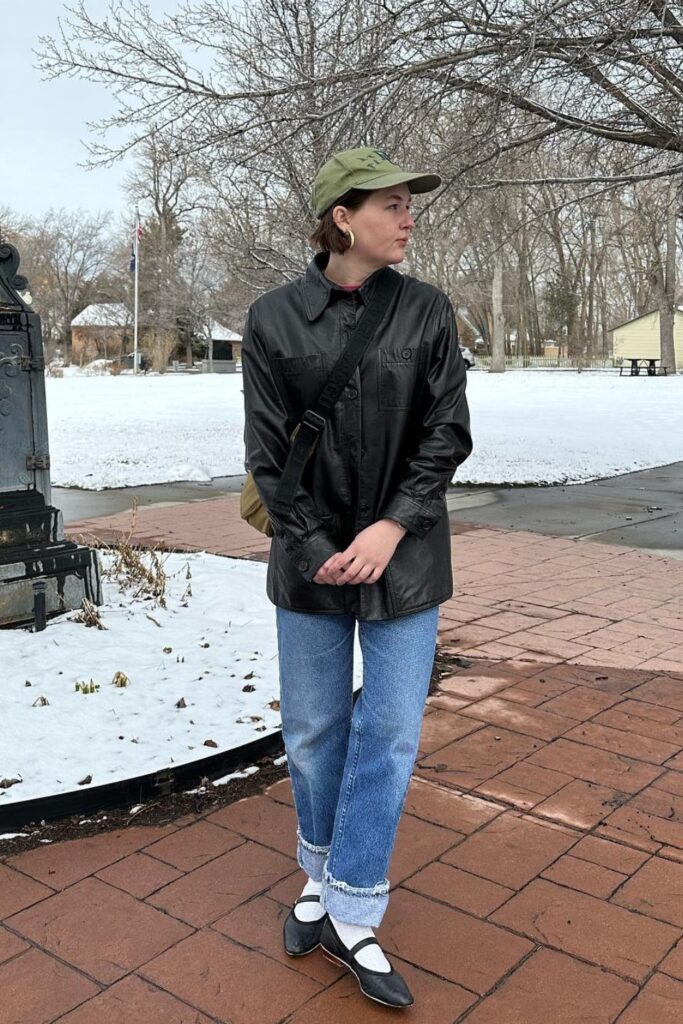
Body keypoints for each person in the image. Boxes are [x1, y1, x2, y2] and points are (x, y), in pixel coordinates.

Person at [240, 147, 473, 1009]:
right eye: (392, 204)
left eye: (410, 204)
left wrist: (386, 528)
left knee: (389, 733)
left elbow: (445, 432)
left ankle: (353, 909)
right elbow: (267, 452)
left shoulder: (427, 310)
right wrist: (315, 545)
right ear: (342, 217)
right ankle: (320, 873)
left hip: (405, 557)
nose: (408, 217)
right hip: (309, 562)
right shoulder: (271, 319)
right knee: (309, 731)